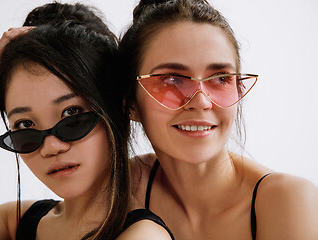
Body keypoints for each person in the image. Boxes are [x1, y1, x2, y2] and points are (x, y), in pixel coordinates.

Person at [0, 2, 173, 239]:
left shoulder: (143, 235)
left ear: (117, 109)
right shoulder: (14, 223)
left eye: (71, 114)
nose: (51, 147)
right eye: (25, 126)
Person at [119, 0, 318, 239]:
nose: (202, 101)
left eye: (221, 78)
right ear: (131, 103)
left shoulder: (289, 202)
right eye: (171, 79)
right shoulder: (123, 190)